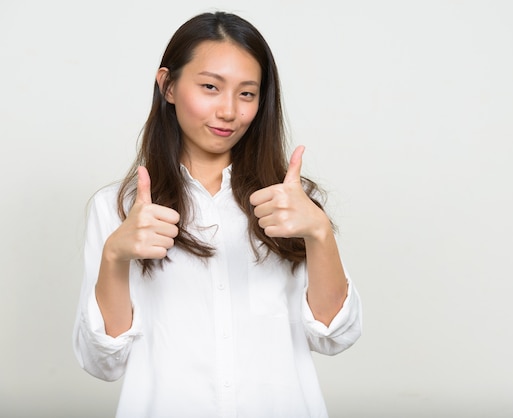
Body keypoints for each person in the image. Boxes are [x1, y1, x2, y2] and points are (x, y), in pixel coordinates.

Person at [72, 10, 362, 418]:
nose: (229, 110)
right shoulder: (117, 207)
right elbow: (103, 362)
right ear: (168, 85)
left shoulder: (291, 202)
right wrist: (114, 257)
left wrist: (319, 233)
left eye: (247, 93)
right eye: (210, 86)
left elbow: (336, 336)